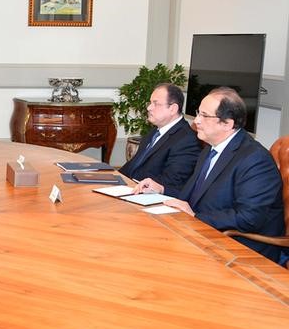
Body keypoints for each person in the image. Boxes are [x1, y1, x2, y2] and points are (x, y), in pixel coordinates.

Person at [133, 87, 285, 264]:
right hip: (201, 233)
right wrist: (161, 189)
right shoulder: (209, 150)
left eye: (204, 116)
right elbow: (193, 195)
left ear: (227, 123)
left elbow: (248, 218)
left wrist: (196, 216)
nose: (196, 120)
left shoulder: (255, 159)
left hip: (241, 248)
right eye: (198, 113)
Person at [119, 83, 201, 188]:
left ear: (173, 109)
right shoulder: (154, 131)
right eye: (150, 103)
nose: (149, 108)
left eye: (156, 104)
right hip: (129, 188)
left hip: (147, 196)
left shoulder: (187, 140)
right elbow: (133, 165)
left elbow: (172, 181)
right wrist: (112, 177)